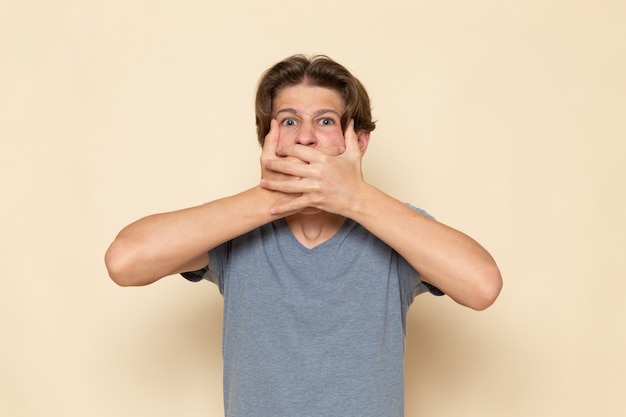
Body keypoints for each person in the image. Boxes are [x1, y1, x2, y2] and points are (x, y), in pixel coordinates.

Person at [105, 54, 502, 417]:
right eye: (289, 121)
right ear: (269, 139)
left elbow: (482, 285)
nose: (306, 137)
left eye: (326, 121)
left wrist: (355, 197)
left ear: (358, 141)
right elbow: (124, 261)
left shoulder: (393, 225)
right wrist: (273, 198)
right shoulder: (235, 228)